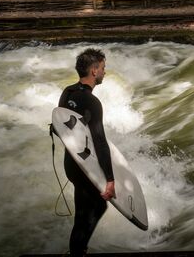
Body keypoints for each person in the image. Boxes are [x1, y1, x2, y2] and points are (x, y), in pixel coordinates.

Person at [58, 48, 115, 257]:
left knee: (83, 211)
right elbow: (100, 141)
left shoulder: (67, 91)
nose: (104, 72)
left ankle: (77, 250)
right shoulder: (92, 102)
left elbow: (60, 127)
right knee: (98, 206)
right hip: (84, 166)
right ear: (93, 71)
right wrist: (110, 179)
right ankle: (77, 252)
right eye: (103, 68)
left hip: (70, 164)